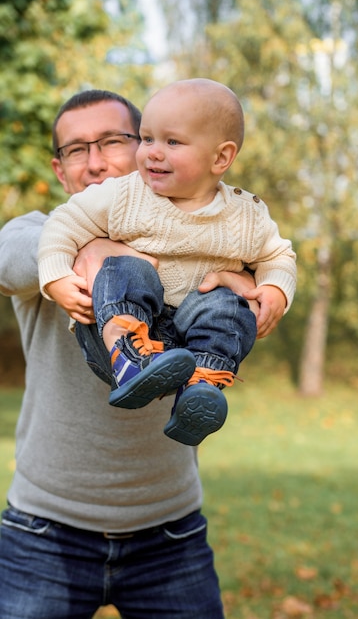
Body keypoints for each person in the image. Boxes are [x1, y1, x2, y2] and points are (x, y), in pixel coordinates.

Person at [0, 88, 280, 619]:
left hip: (170, 533)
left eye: (113, 141)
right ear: (60, 171)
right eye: (76, 150)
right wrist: (94, 247)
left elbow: (263, 264)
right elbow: (9, 259)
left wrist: (257, 283)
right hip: (44, 532)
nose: (96, 161)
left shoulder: (201, 236)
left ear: (148, 147)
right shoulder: (36, 234)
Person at [38, 78, 297, 448]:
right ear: (59, 169)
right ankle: (128, 361)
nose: (153, 152)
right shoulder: (122, 196)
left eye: (171, 142)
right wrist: (57, 277)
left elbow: (277, 255)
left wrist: (272, 287)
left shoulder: (246, 217)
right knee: (128, 270)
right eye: (147, 139)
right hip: (118, 335)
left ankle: (201, 388)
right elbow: (61, 225)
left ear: (221, 157)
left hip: (192, 345)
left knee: (225, 303)